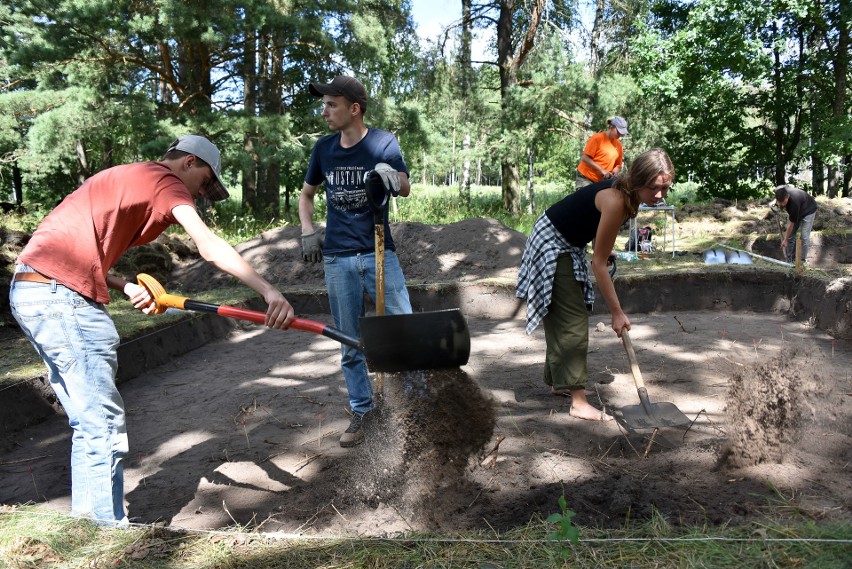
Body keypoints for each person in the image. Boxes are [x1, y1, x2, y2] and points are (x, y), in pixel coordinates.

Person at [9, 135, 295, 526]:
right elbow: (208, 245)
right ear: (189, 163)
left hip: (33, 289)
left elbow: (65, 248)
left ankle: (87, 525)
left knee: (89, 420)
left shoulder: (123, 178)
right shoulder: (165, 180)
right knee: (100, 421)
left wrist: (125, 285)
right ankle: (103, 532)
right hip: (60, 298)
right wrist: (270, 291)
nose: (201, 194)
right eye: (206, 182)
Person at [517, 148, 674, 421]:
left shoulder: (626, 195)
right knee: (572, 320)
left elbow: (591, 223)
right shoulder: (616, 200)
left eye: (665, 188)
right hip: (552, 244)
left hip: (566, 240)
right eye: (654, 188)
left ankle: (561, 382)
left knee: (562, 314)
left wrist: (603, 248)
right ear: (637, 181)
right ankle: (578, 403)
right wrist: (616, 312)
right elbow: (598, 265)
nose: (659, 195)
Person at [299, 75, 412, 448]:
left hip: (380, 252)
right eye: (325, 103)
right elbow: (307, 195)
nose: (325, 110)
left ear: (354, 108)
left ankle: (415, 406)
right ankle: (363, 411)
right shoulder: (324, 149)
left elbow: (405, 185)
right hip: (338, 258)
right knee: (349, 342)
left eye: (332, 104)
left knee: (403, 331)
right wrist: (307, 230)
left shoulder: (382, 142)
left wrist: (391, 177)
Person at [575, 116, 628, 189]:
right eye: (619, 131)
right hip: (586, 177)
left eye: (622, 133)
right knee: (587, 198)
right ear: (612, 127)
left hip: (601, 181)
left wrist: (615, 171)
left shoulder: (618, 145)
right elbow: (585, 158)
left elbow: (618, 164)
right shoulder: (597, 138)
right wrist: (601, 170)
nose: (620, 135)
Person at [774, 184, 817, 264]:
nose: (782, 204)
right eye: (780, 202)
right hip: (798, 208)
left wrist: (785, 240)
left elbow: (791, 224)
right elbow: (778, 198)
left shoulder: (794, 203)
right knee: (790, 236)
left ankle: (801, 261)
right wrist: (775, 203)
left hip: (808, 210)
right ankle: (789, 259)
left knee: (804, 237)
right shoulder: (781, 192)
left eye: (783, 202)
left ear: (788, 197)